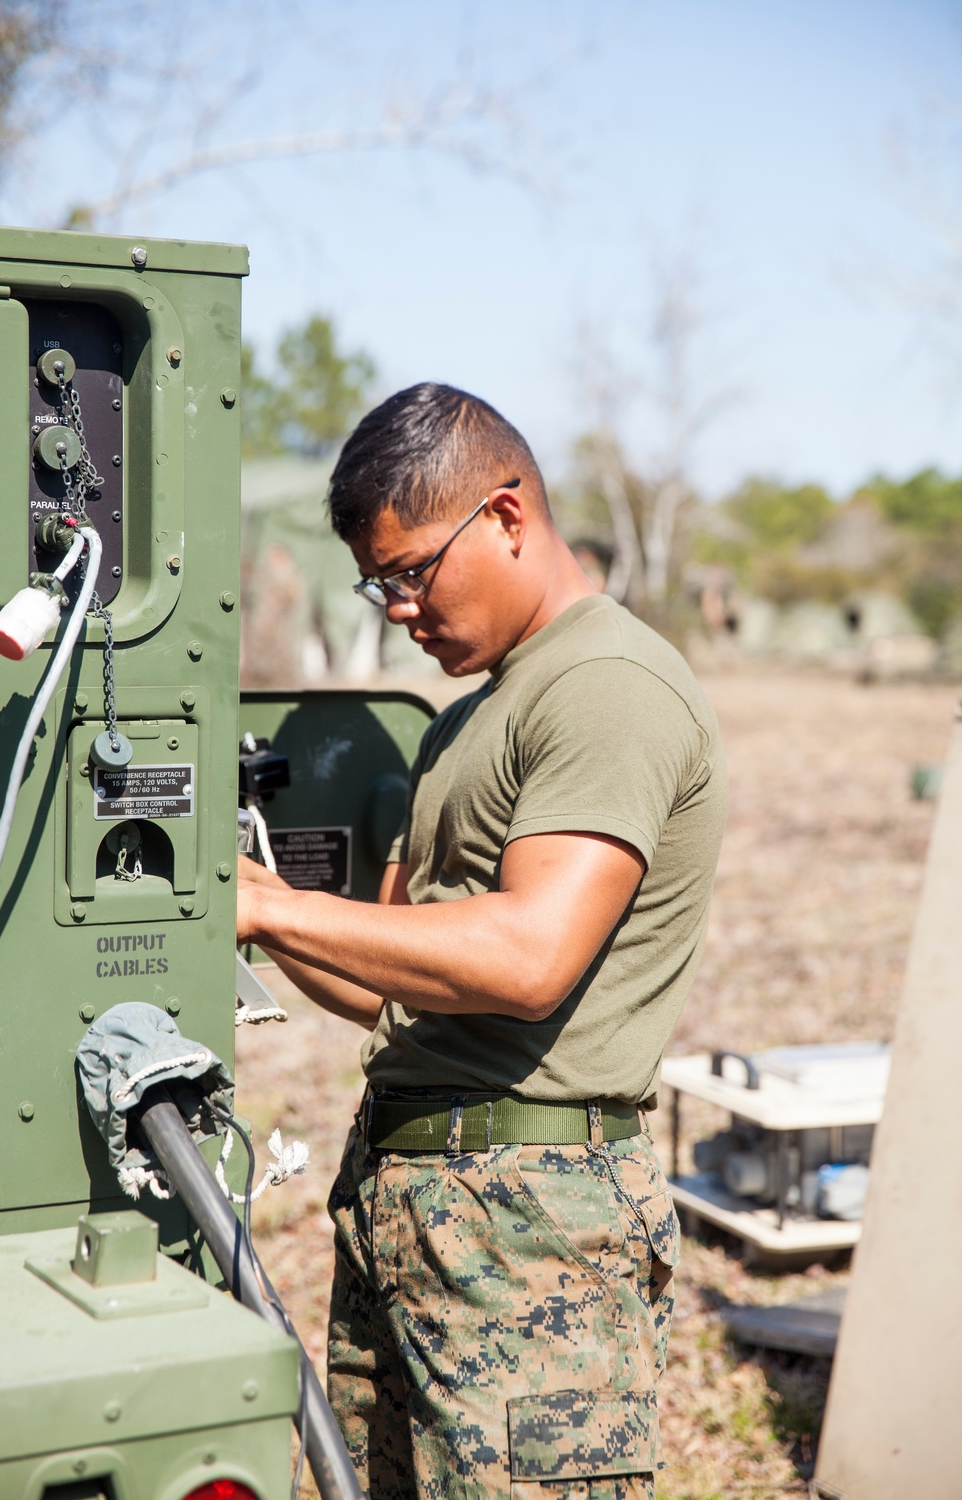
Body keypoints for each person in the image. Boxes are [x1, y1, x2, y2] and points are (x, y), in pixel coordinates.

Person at [236, 382, 727, 1500]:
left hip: (533, 1221)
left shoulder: (606, 686)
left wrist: (270, 910)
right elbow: (395, 978)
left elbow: (525, 957)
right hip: (411, 1191)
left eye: (412, 573)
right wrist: (246, 896)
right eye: (378, 583)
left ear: (506, 517)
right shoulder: (464, 717)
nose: (399, 608)